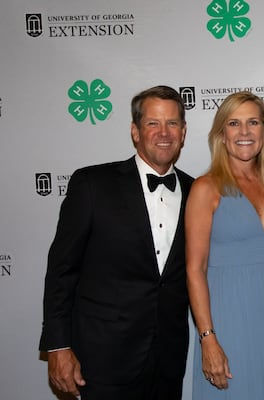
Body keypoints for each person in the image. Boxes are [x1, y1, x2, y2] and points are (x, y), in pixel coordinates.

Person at [39, 85, 193, 400]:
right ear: (135, 131)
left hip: (168, 359)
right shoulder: (93, 185)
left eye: (172, 123)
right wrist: (58, 345)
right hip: (104, 357)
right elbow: (62, 271)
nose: (163, 133)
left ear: (184, 131)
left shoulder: (198, 192)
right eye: (153, 123)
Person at [185, 91, 264, 400]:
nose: (244, 132)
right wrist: (207, 338)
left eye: (253, 122)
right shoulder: (206, 187)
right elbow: (194, 269)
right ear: (221, 135)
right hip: (230, 317)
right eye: (234, 123)